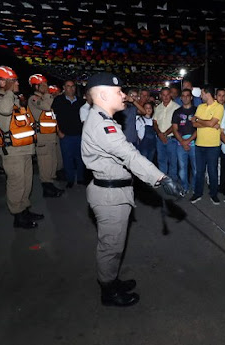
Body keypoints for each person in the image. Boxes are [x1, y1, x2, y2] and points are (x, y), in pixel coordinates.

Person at [80, 72, 183, 307]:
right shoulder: (102, 125)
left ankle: (111, 279)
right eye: (119, 92)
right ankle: (108, 291)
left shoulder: (102, 119)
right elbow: (129, 155)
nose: (124, 95)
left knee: (114, 243)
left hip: (114, 192)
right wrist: (162, 179)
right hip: (110, 196)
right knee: (111, 245)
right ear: (103, 94)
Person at [0, 66, 44, 229]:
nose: (17, 83)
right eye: (14, 80)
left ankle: (25, 210)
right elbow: (5, 111)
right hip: (12, 152)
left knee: (26, 183)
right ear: (2, 82)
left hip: (25, 150)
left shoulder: (14, 100)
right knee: (16, 184)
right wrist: (9, 91)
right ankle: (18, 216)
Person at [27, 74, 64, 198]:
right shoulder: (33, 99)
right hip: (42, 137)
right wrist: (48, 93)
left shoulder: (45, 98)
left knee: (52, 163)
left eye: (45, 84)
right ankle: (47, 188)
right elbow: (47, 107)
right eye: (42, 85)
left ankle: (51, 185)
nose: (45, 87)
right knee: (45, 164)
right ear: (36, 86)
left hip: (51, 136)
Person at [190, 85, 225, 205]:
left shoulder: (219, 107)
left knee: (212, 171)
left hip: (213, 145)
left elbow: (205, 122)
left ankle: (213, 194)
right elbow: (194, 124)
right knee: (199, 171)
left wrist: (199, 120)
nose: (200, 96)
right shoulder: (200, 106)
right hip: (199, 144)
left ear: (207, 93)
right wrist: (208, 123)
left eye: (201, 93)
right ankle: (197, 193)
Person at [52, 80, 85, 187]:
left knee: (80, 158)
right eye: (68, 86)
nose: (71, 89)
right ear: (64, 88)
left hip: (80, 135)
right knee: (67, 159)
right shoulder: (58, 100)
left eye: (72, 86)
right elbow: (52, 118)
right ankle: (70, 179)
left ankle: (80, 178)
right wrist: (58, 132)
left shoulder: (81, 102)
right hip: (65, 135)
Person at [171, 89, 198, 192]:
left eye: (188, 95)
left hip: (194, 143)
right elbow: (174, 129)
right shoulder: (177, 112)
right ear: (181, 98)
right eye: (183, 95)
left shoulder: (197, 110)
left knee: (196, 168)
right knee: (182, 169)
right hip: (180, 143)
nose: (185, 97)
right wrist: (182, 142)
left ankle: (195, 187)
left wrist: (189, 140)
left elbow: (199, 129)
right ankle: (184, 187)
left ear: (191, 97)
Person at [153, 87, 181, 181]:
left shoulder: (176, 107)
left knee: (173, 162)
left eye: (167, 94)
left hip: (171, 139)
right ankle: (164, 182)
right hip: (159, 139)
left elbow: (175, 124)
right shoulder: (158, 107)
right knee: (161, 161)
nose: (165, 97)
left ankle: (173, 183)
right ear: (161, 96)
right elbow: (155, 122)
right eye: (163, 95)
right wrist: (159, 134)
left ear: (171, 95)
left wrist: (164, 134)